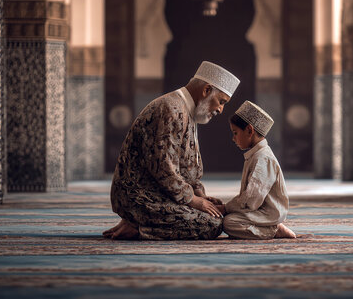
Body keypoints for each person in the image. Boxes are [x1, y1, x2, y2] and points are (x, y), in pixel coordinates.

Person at [103, 61, 240, 240]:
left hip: (160, 191)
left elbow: (185, 167)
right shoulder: (171, 109)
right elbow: (163, 169)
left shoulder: (186, 110)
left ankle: (138, 222)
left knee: (215, 212)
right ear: (206, 90)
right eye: (221, 102)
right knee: (212, 225)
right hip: (139, 197)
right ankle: (139, 227)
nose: (221, 110)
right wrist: (194, 201)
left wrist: (200, 196)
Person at [216, 101, 296, 239]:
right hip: (257, 209)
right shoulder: (256, 155)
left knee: (229, 223)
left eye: (235, 133)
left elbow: (251, 200)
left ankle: (272, 230)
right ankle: (269, 226)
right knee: (229, 217)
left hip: (267, 212)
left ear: (249, 130)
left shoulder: (262, 159)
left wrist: (225, 208)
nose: (233, 138)